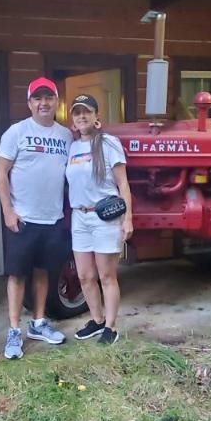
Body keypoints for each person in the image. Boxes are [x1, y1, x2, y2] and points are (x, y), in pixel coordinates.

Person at [0, 77, 73, 360]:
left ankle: (38, 323)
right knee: (17, 275)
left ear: (56, 101)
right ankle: (14, 330)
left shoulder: (66, 136)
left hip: (52, 218)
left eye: (49, 97)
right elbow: (1, 172)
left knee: (43, 272)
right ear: (29, 103)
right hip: (23, 218)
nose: (44, 103)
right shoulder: (16, 133)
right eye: (38, 98)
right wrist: (8, 210)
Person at [65, 93, 133, 345]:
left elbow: (123, 183)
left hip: (103, 217)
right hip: (79, 217)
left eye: (86, 111)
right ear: (73, 120)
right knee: (84, 276)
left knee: (106, 276)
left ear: (96, 118)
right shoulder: (72, 147)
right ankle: (97, 319)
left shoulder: (108, 143)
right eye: (77, 112)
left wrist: (128, 218)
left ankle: (112, 326)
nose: (81, 116)